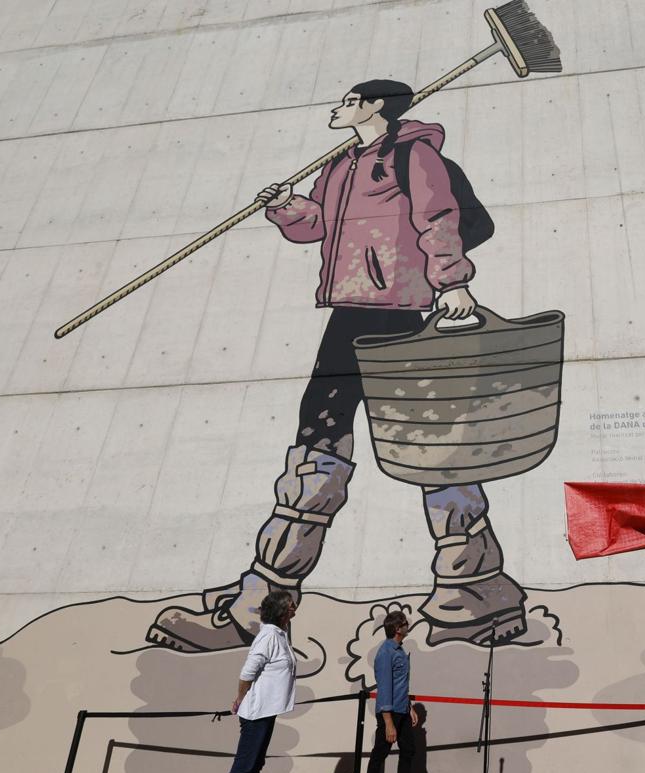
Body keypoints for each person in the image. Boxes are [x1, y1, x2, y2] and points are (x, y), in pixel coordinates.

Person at [149, 79, 526, 653]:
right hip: (351, 309)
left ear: (375, 105)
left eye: (349, 100)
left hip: (399, 308)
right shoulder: (338, 165)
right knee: (346, 440)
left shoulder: (413, 154)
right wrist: (286, 207)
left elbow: (438, 217)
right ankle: (475, 594)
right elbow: (320, 228)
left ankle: (268, 603)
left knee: (417, 445)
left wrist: (452, 284)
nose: (337, 107)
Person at [215, 592, 298, 773]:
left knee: (254, 768)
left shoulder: (280, 634)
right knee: (242, 769)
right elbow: (247, 672)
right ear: (282, 610)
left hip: (267, 712)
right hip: (255, 714)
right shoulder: (269, 636)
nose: (296, 607)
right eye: (292, 604)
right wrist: (240, 699)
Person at [365, 610, 429, 773]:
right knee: (379, 756)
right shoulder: (386, 652)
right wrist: (388, 722)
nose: (407, 624)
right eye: (404, 623)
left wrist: (409, 706)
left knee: (408, 751)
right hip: (389, 713)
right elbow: (384, 688)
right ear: (396, 628)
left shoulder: (400, 651)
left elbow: (401, 685)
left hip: (402, 710)